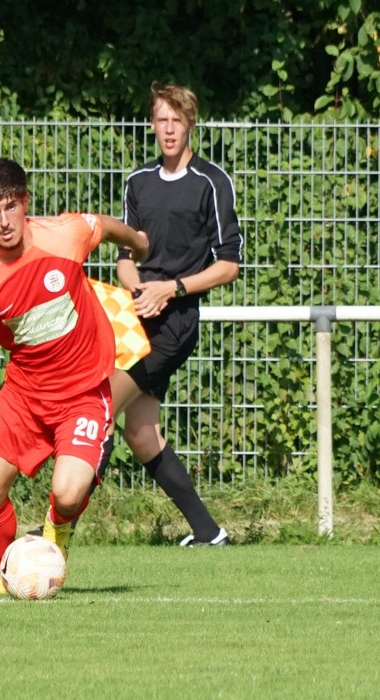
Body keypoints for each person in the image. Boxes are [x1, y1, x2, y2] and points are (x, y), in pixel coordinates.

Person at [0, 157, 150, 596]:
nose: (4, 221)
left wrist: (137, 243)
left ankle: (56, 533)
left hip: (84, 391)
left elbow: (103, 225)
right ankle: (6, 573)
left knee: (67, 494)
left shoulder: (64, 234)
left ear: (25, 202)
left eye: (11, 206)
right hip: (25, 396)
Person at [100, 82, 243, 546]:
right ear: (151, 124)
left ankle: (53, 533)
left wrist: (172, 288)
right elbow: (126, 258)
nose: (168, 129)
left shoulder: (211, 182)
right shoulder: (138, 182)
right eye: (161, 119)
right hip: (137, 318)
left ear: (190, 125)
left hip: (175, 326)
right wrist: (137, 287)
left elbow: (229, 265)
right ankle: (209, 533)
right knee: (141, 433)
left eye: (176, 121)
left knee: (97, 410)